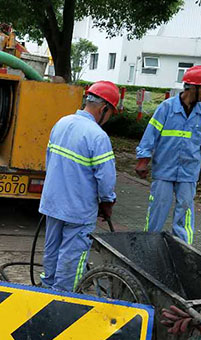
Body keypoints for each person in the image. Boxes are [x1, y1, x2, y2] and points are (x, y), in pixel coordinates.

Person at [39, 81, 119, 292]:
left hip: (53, 202)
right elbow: (106, 178)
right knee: (72, 255)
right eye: (110, 113)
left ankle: (46, 290)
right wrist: (107, 201)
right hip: (79, 208)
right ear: (104, 109)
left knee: (52, 249)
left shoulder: (62, 123)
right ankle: (64, 298)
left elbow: (49, 160)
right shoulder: (98, 136)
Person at [135, 65, 201, 244]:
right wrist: (143, 161)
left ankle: (184, 249)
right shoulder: (166, 108)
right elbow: (150, 135)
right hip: (164, 169)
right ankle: (148, 245)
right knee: (158, 209)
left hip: (189, 172)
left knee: (185, 211)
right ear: (193, 88)